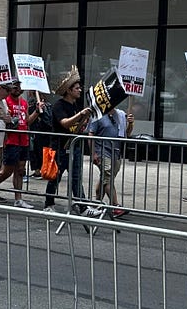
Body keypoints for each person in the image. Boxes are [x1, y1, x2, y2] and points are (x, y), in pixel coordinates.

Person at [45, 68, 93, 211]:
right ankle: (48, 204)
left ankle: (82, 206)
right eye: (77, 88)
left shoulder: (74, 105)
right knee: (55, 177)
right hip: (60, 147)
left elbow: (75, 126)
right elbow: (65, 122)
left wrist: (83, 120)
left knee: (76, 178)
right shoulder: (59, 105)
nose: (80, 90)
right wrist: (80, 115)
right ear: (69, 91)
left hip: (74, 147)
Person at [86, 104, 128, 215]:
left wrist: (131, 123)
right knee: (108, 177)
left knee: (105, 177)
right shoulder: (97, 115)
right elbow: (91, 135)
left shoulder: (120, 115)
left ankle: (97, 202)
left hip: (116, 152)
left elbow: (126, 133)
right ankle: (115, 206)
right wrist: (93, 153)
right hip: (102, 152)